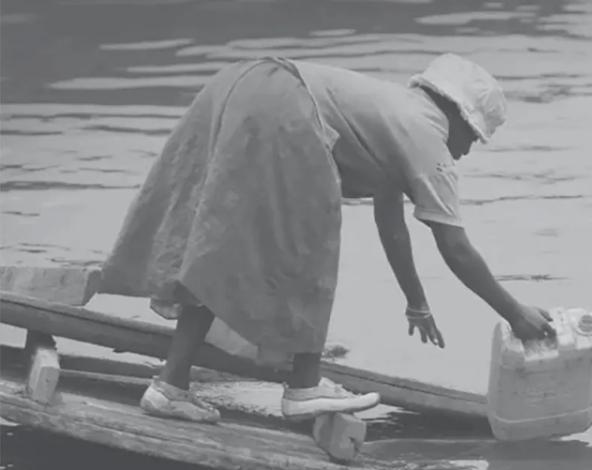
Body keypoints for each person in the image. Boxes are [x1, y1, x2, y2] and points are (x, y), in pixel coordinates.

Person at [99, 53, 558, 424]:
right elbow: (455, 247)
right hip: (283, 106)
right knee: (310, 240)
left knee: (221, 248)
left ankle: (169, 386)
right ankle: (304, 386)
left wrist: (415, 301)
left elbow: (390, 220)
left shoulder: (391, 112)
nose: (468, 149)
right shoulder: (427, 140)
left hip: (246, 80)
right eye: (474, 137)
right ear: (458, 118)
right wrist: (515, 312)